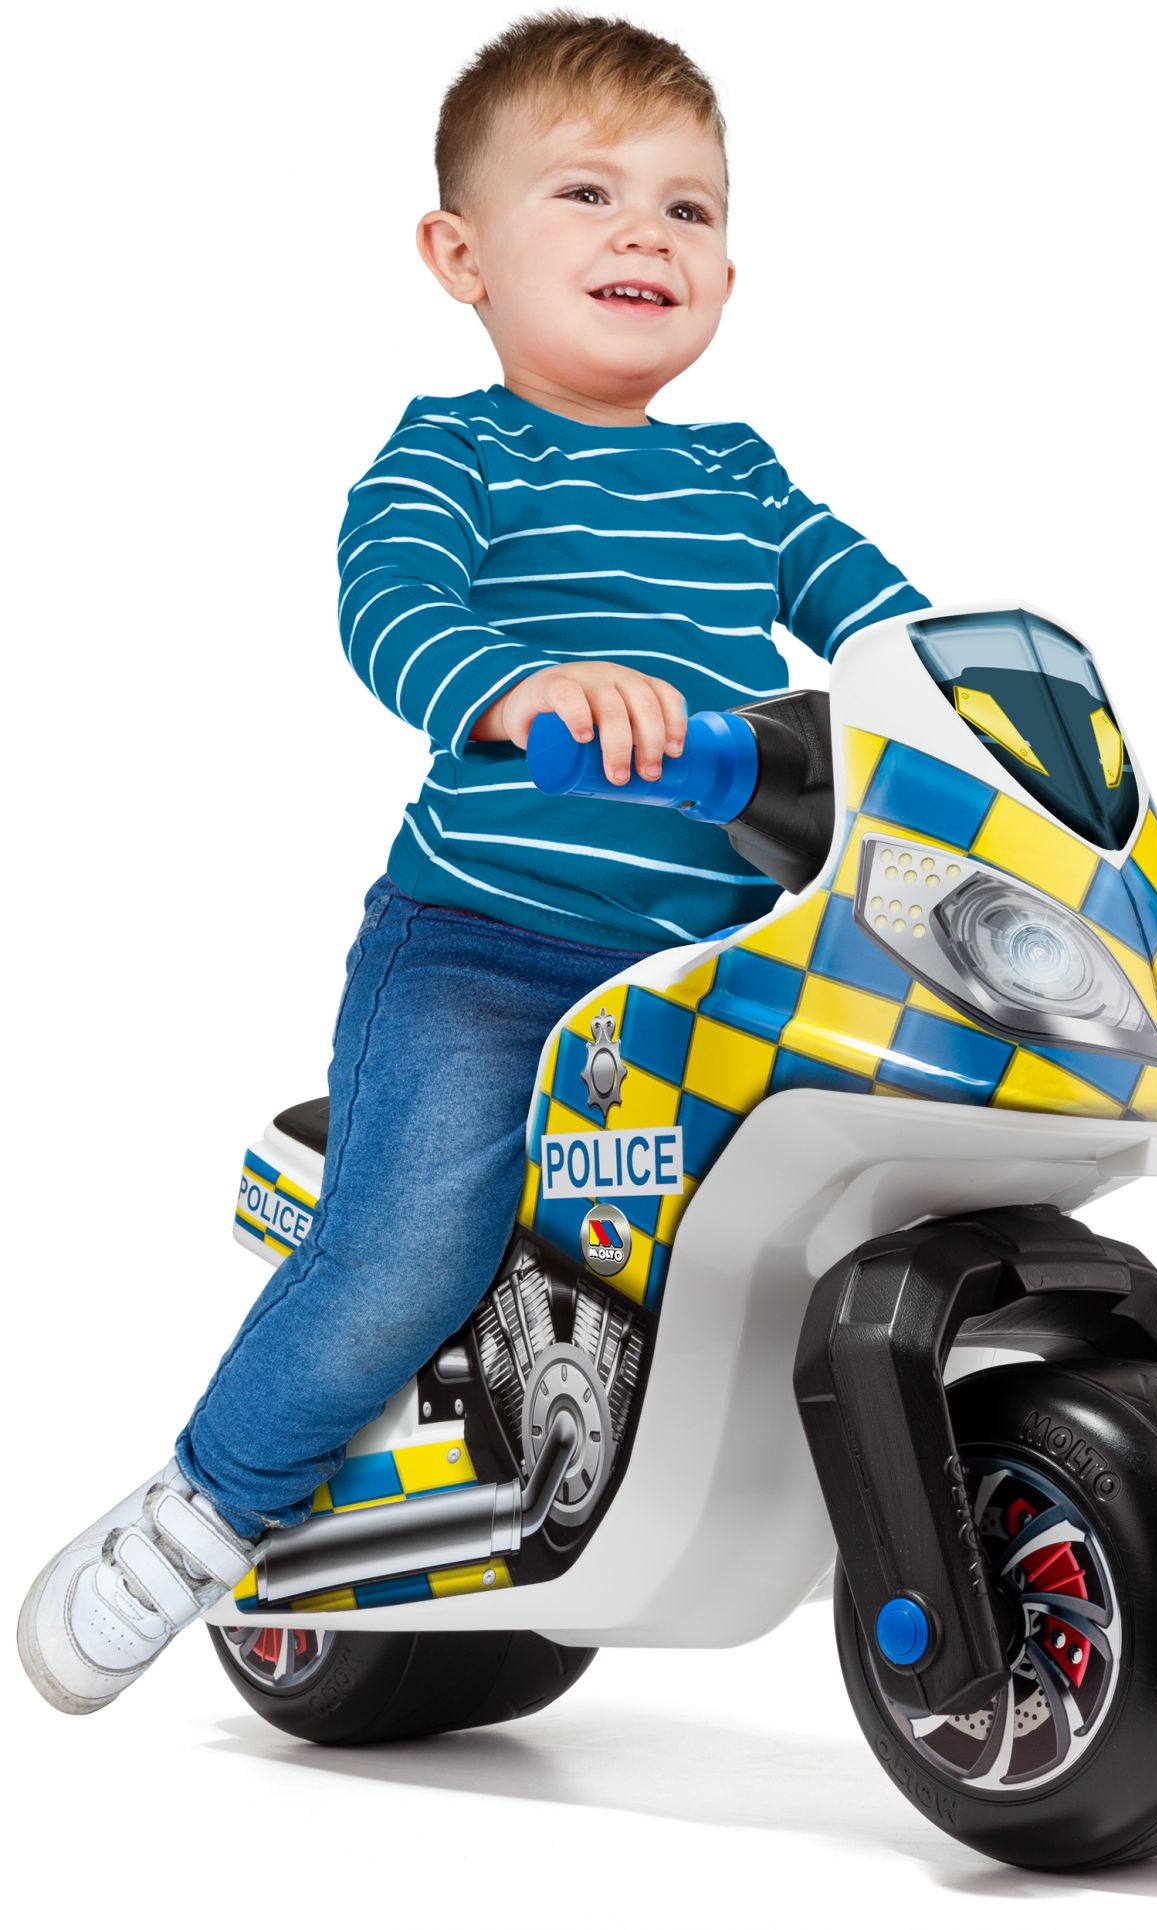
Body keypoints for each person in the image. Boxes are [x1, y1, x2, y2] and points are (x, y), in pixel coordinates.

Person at [17, 8, 930, 1713]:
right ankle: (199, 1510)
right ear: (461, 255)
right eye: (586, 192)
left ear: (730, 272)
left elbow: (896, 637)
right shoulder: (460, 448)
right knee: (411, 1240)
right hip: (491, 947)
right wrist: (515, 687)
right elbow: (390, 603)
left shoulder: (744, 478)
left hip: (720, 967)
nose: (645, 232)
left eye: (687, 207)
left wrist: (987, 704)